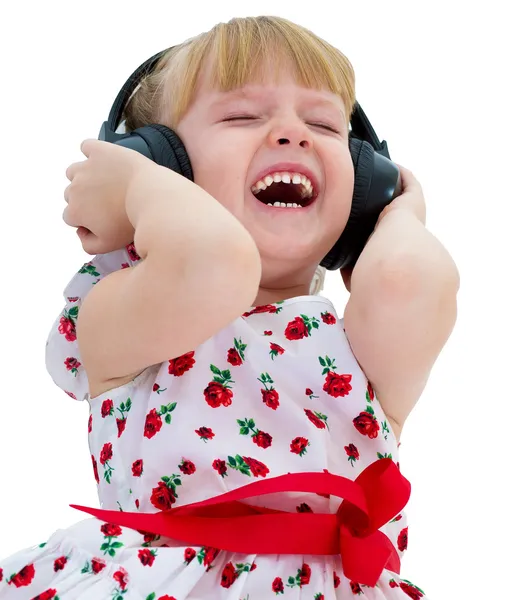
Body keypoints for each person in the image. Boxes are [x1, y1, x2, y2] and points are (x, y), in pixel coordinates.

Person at [0, 15, 459, 600]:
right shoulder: (119, 314)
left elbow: (409, 276)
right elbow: (214, 264)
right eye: (243, 116)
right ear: (163, 165)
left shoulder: (362, 343)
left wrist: (398, 211)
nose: (294, 135)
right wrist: (138, 192)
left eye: (323, 123)